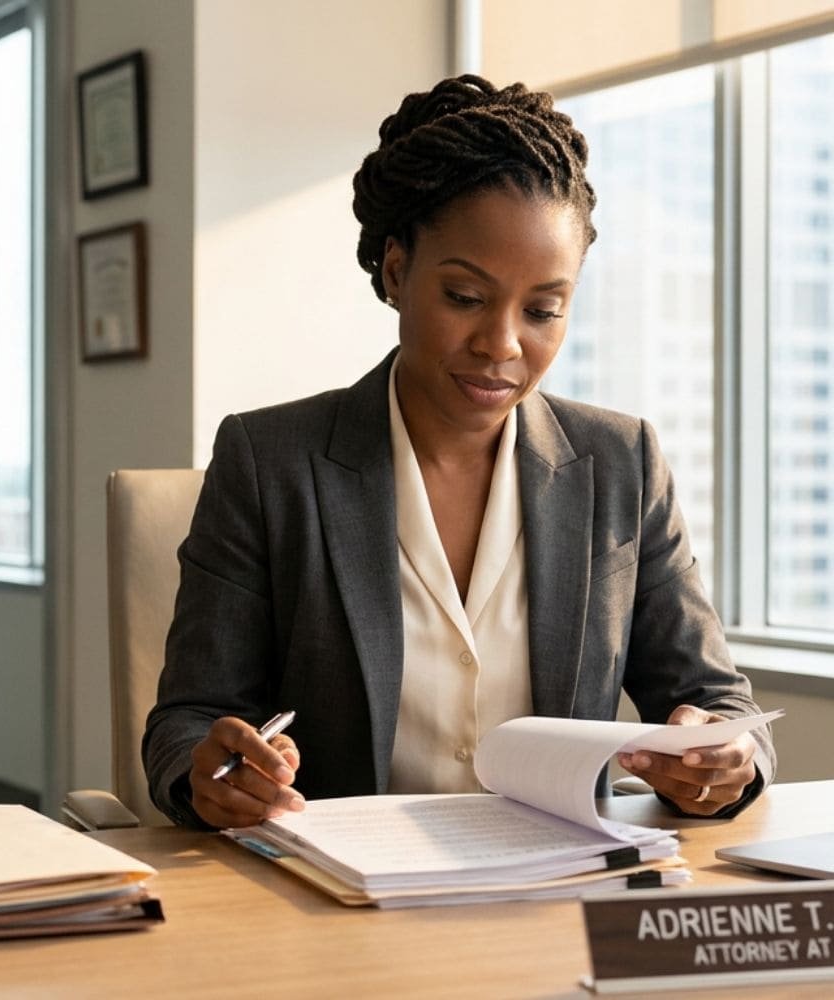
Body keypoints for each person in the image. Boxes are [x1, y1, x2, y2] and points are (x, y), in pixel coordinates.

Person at [142, 75, 775, 831]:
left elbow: (722, 705)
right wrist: (215, 772)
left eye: (543, 309)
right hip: (341, 900)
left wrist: (717, 761)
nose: (502, 344)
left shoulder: (621, 464)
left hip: (558, 888)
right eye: (465, 297)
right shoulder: (269, 461)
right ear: (397, 270)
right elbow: (187, 724)